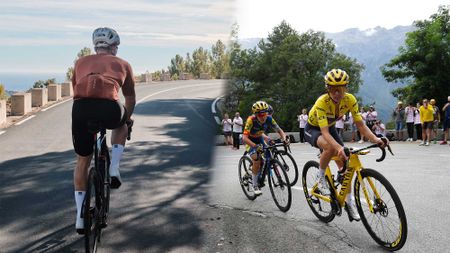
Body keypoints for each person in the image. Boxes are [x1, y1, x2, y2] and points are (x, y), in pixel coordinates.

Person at [71, 27, 136, 234]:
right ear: (114, 47)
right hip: (109, 107)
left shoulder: (80, 62)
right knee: (121, 124)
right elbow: (130, 98)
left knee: (82, 160)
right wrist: (127, 118)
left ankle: (80, 218)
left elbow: (76, 89)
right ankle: (114, 167)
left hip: (81, 109)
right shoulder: (124, 64)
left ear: (95, 46)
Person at [305, 69, 386, 221]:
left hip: (331, 128)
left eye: (341, 88)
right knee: (330, 147)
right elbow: (325, 133)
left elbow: (361, 125)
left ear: (346, 88)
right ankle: (320, 176)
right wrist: (340, 148)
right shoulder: (322, 102)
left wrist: (376, 139)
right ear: (327, 89)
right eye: (332, 89)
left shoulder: (350, 99)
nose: (337, 93)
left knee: (346, 168)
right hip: (313, 129)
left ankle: (349, 203)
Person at [242, 101, 288, 196]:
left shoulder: (269, 118)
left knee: (268, 156)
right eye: (260, 115)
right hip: (250, 141)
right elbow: (244, 138)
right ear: (255, 114)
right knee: (257, 160)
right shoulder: (251, 120)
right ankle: (255, 185)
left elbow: (279, 130)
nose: (263, 117)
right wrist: (255, 146)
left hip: (259, 138)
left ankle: (260, 173)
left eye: (265, 113)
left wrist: (284, 139)